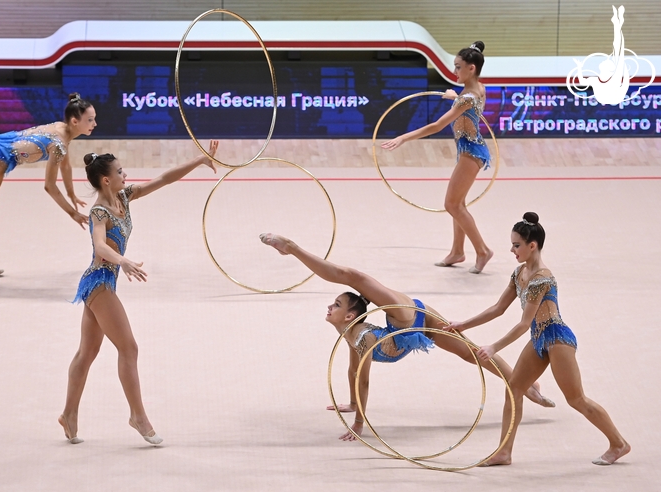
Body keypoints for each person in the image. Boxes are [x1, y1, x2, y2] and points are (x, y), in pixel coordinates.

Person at [258, 233, 554, 442]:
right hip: (402, 328)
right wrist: (352, 403)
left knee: (354, 277)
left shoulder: (366, 334)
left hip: (407, 317)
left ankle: (293, 248)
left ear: (350, 315)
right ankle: (525, 383)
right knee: (469, 353)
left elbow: (363, 378)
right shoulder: (355, 334)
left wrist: (359, 422)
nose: (329, 307)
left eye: (337, 305)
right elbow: (354, 371)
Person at [58, 142, 219, 445]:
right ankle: (138, 416)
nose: (125, 173)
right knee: (128, 348)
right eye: (120, 171)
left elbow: (163, 179)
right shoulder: (99, 212)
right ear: (106, 179)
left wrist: (199, 160)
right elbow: (100, 246)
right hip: (100, 282)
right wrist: (124, 261)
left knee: (87, 353)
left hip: (103, 282)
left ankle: (69, 414)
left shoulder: (124, 197)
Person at [445, 213, 630, 465]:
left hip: (557, 338)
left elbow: (523, 323)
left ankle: (619, 443)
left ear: (532, 245)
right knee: (514, 389)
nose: (512, 249)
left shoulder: (541, 278)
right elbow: (498, 308)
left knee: (576, 399)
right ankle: (504, 452)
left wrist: (494, 346)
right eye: (512, 244)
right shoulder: (519, 273)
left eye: (516, 245)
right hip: (539, 337)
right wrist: (462, 324)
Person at [0, 93, 95, 285]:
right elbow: (49, 186)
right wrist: (72, 213)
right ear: (74, 121)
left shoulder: (61, 129)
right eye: (90, 120)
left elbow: (66, 166)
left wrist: (71, 193)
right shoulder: (59, 143)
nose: (94, 124)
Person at [381, 41, 493, 273]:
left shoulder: (467, 97)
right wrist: (455, 97)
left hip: (471, 151)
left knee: (451, 204)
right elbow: (469, 103)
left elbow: (436, 125)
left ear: (471, 68)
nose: (454, 72)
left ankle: (482, 251)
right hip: (470, 149)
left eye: (458, 67)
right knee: (457, 204)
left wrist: (404, 137)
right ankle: (457, 251)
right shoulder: (477, 88)